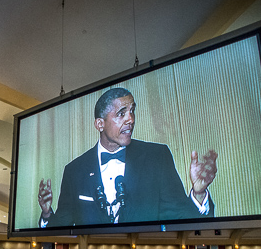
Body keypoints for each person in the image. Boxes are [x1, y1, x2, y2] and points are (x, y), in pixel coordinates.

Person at [37, 87, 217, 227]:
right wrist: (46, 214)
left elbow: (181, 217)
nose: (131, 119)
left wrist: (199, 193)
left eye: (132, 111)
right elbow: (62, 225)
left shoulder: (157, 156)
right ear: (100, 124)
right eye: (121, 113)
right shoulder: (74, 170)